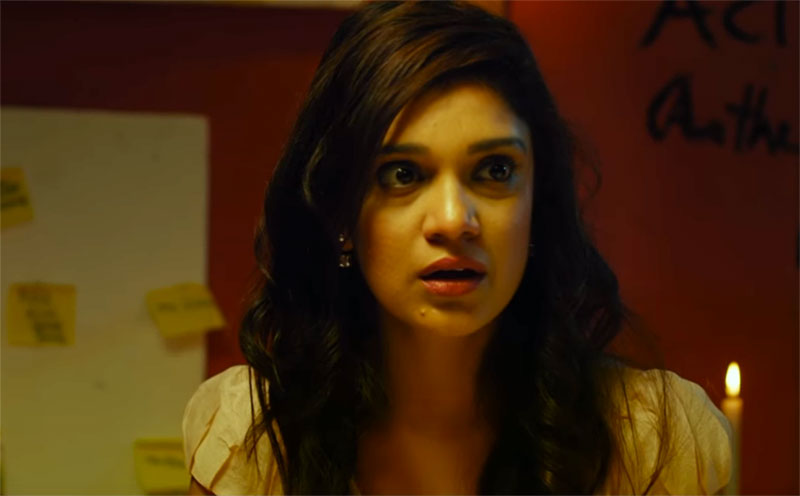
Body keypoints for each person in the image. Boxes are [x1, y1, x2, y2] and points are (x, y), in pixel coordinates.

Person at [182, 2, 733, 494]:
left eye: (495, 170)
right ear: (339, 213)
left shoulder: (653, 442)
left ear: (538, 204)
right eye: (402, 174)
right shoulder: (257, 437)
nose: (453, 220)